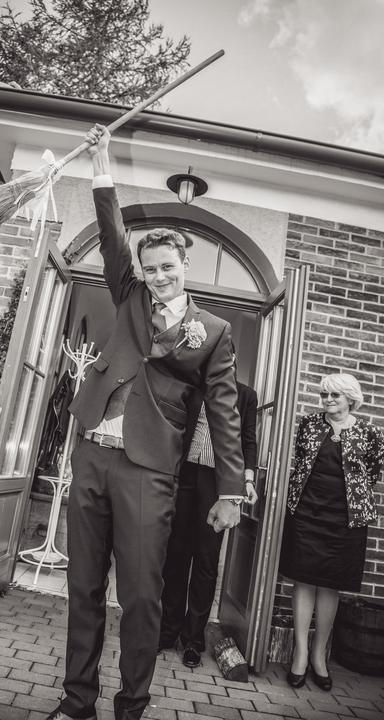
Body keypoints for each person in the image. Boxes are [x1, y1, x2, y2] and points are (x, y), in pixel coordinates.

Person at [47, 125, 246, 720]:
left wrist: (231, 491)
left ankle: (131, 706)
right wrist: (102, 160)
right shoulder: (129, 294)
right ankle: (76, 701)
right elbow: (111, 233)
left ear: (184, 265)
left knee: (139, 597)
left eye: (167, 267)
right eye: (150, 268)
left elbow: (224, 412)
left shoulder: (213, 332)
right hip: (92, 454)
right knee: (82, 588)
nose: (158, 276)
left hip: (149, 471)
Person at [279, 373, 384, 692]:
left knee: (330, 585)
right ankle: (300, 653)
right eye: (324, 394)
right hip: (307, 513)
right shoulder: (309, 424)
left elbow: (372, 473)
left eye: (334, 395)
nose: (327, 400)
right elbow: (300, 462)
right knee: (304, 580)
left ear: (351, 398)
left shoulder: (369, 432)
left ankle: (319, 655)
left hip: (346, 520)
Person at [159, 355, 258, 668]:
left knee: (206, 560)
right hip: (185, 476)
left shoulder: (245, 395)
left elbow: (248, 441)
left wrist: (248, 480)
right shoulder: (192, 388)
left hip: (218, 485)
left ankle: (193, 639)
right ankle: (167, 630)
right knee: (176, 556)